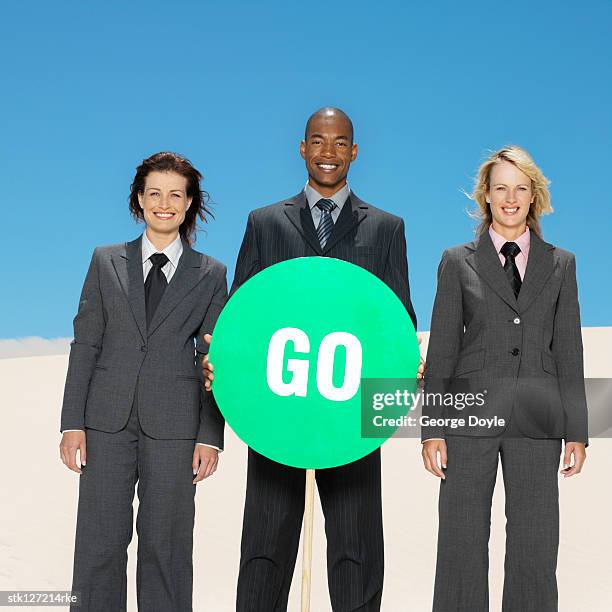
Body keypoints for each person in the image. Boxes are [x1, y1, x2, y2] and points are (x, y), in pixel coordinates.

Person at [204, 107, 419, 611]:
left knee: (357, 547)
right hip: (279, 409)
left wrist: (405, 364)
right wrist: (221, 361)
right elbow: (243, 314)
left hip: (352, 412)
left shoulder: (387, 228)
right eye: (318, 142)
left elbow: (399, 317)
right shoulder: (264, 222)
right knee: (265, 545)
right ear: (302, 148)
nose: (329, 152)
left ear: (355, 151)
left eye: (340, 142)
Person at [421, 145, 588, 612]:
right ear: (486, 196)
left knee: (535, 543)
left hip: (538, 418)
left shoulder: (561, 264)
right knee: (460, 541)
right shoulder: (457, 261)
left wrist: (577, 431)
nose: (510, 198)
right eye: (500, 189)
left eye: (520, 188)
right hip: (467, 419)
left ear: (534, 195)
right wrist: (432, 428)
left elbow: (569, 350)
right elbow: (444, 348)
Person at [59, 152, 227, 612]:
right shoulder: (104, 260)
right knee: (98, 544)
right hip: (105, 423)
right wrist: (72, 421)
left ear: (190, 203)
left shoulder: (211, 273)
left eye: (176, 194)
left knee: (167, 549)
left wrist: (210, 437)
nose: (164, 203)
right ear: (139, 199)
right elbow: (86, 344)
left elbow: (213, 359)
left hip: (176, 428)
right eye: (155, 193)